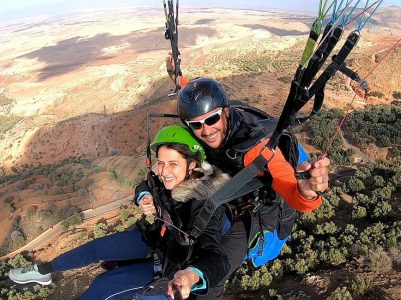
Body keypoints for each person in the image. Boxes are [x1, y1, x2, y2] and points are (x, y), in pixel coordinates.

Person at [140, 57, 332, 299]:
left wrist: (309, 190)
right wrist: (177, 77)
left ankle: (199, 287)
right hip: (228, 190)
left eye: (212, 120)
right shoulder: (209, 114)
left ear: (226, 112)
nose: (207, 130)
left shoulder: (256, 147)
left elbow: (296, 196)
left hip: (254, 212)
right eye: (196, 125)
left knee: (218, 267)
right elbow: (195, 98)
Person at [9, 125, 232, 300]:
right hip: (155, 238)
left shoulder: (205, 203)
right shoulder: (168, 181)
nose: (164, 171)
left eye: (173, 164)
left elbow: (216, 256)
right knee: (98, 248)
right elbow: (147, 184)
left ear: (193, 165)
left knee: (104, 285)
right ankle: (44, 270)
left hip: (173, 263)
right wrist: (143, 197)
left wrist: (191, 275)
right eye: (161, 163)